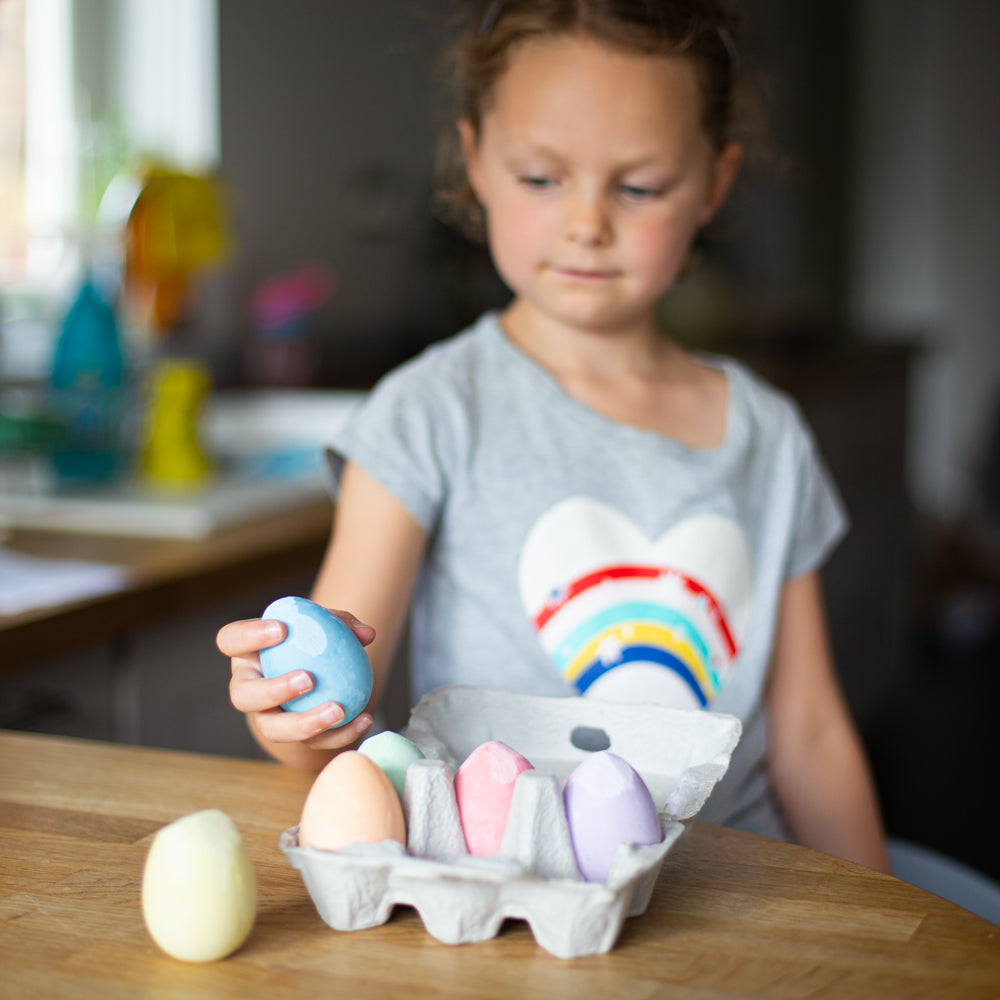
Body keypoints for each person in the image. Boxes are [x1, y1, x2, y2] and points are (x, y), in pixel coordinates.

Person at [217, 0, 889, 873]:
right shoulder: (429, 411)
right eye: (541, 177)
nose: (586, 223)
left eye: (639, 186)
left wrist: (885, 923)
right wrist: (294, 713)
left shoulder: (768, 433)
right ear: (477, 163)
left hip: (736, 893)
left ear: (714, 185)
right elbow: (343, 718)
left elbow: (810, 729)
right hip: (512, 898)